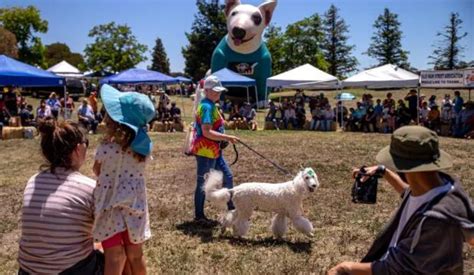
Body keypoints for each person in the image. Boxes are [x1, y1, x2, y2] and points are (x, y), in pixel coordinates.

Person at [328, 126, 473, 275]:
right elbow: (409, 194)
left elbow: (396, 269)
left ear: (404, 168)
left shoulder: (437, 220)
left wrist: (346, 268)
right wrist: (383, 171)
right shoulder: (443, 185)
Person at [18, 118, 104, 274]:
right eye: (87, 143)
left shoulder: (33, 181)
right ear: (78, 149)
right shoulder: (88, 187)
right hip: (68, 270)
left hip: (27, 270)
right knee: (116, 253)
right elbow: (107, 230)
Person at [92, 84, 155, 275]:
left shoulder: (105, 148)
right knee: (136, 256)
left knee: (113, 256)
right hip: (135, 206)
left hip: (108, 205)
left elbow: (97, 170)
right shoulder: (142, 151)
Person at [190, 75, 239, 223]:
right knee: (203, 184)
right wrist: (227, 138)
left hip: (214, 150)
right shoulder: (206, 107)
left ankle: (231, 208)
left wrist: (223, 138)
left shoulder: (211, 105)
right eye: (215, 91)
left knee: (228, 176)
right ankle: (199, 216)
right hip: (206, 151)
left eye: (219, 91)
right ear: (207, 90)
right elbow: (206, 131)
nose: (219, 93)